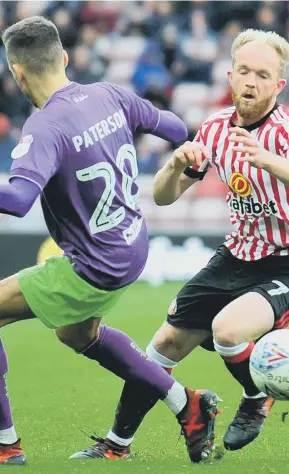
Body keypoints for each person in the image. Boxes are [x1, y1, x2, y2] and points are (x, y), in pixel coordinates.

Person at [73, 28, 289, 459]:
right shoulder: (213, 128)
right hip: (238, 252)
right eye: (244, 71)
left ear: (278, 85)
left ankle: (255, 395)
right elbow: (164, 195)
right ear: (230, 75)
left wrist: (266, 159)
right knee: (164, 344)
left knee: (228, 330)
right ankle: (117, 445)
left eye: (262, 75)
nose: (251, 81)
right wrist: (174, 164)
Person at [0, 16, 221, 465]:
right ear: (63, 57)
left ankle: (6, 446)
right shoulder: (108, 94)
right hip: (132, 244)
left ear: (17, 73)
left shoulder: (45, 128)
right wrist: (187, 156)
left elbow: (20, 199)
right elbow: (177, 130)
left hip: (93, 263)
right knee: (76, 333)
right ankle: (188, 405)